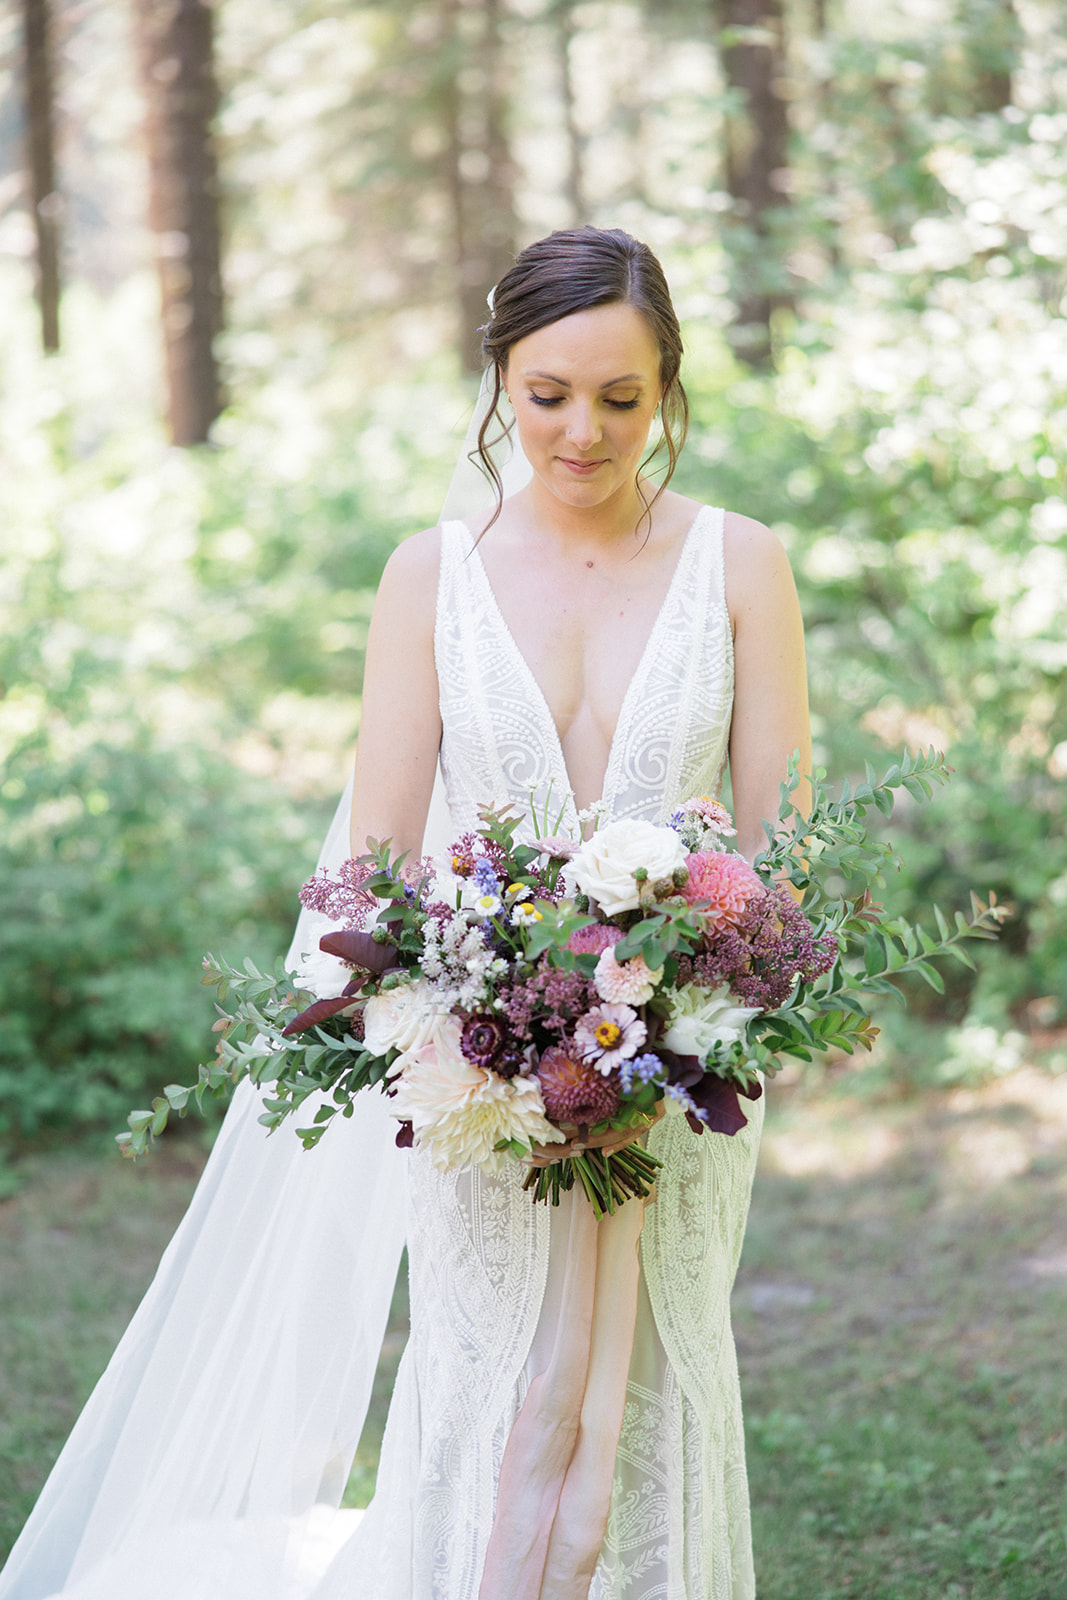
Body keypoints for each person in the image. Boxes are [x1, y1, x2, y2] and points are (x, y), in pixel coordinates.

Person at [0, 226, 808, 1600]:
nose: (584, 431)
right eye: (550, 393)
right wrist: (459, 1029)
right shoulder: (429, 579)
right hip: (478, 1083)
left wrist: (708, 1007)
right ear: (499, 376)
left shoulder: (741, 567)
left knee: (665, 1374)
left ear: (668, 389)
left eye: (623, 397)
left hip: (682, 1079)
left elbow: (785, 861)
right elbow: (372, 873)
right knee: (485, 1364)